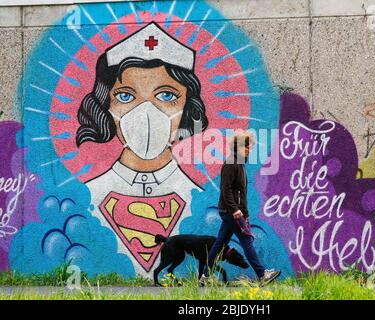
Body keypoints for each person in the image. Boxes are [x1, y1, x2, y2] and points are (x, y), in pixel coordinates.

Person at [76, 22, 208, 277]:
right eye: (126, 96)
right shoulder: (88, 198)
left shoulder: (197, 197)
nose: (146, 112)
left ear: (188, 108)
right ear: (105, 106)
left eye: (167, 95)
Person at [200, 132, 281, 286]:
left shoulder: (238, 163)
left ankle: (205, 276)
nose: (249, 149)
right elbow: (226, 189)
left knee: (219, 244)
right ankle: (262, 274)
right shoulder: (231, 162)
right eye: (247, 146)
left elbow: (240, 192)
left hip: (232, 211)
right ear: (238, 146)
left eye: (250, 146)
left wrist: (245, 213)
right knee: (246, 241)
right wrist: (235, 210)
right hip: (231, 212)